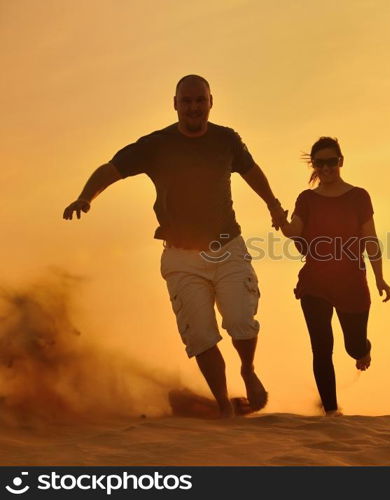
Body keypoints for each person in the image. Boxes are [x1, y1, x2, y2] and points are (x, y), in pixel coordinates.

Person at [62, 75, 288, 418]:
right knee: (200, 336)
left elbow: (251, 171)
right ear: (175, 104)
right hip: (181, 257)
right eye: (187, 101)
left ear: (211, 102)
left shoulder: (226, 140)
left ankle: (248, 369)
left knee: (241, 319)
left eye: (200, 100)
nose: (194, 107)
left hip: (228, 248)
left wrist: (272, 204)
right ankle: (224, 406)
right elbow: (112, 169)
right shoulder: (157, 145)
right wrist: (85, 196)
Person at [279, 137, 390, 416]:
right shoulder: (306, 199)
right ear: (315, 166)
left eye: (332, 162)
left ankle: (363, 349)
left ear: (341, 161)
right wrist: (281, 221)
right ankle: (331, 412)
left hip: (352, 283)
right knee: (321, 348)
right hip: (314, 282)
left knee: (353, 347)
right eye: (321, 163)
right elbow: (295, 231)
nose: (327, 168)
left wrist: (380, 277)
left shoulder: (359, 196)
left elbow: (371, 239)